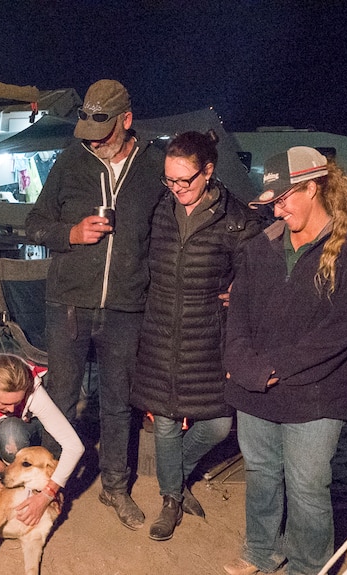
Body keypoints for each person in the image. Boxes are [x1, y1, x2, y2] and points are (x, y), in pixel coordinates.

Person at [222, 147, 347, 575]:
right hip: (255, 386)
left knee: (308, 486)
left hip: (317, 393)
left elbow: (344, 331)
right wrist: (240, 361)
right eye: (272, 201)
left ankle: (308, 566)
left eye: (284, 199)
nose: (277, 209)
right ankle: (261, 550)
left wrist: (274, 368)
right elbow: (238, 311)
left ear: (313, 188)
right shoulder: (263, 246)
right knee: (260, 472)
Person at [25, 79, 164, 530]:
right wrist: (70, 234)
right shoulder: (71, 160)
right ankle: (47, 486)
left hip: (126, 307)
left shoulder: (154, 167)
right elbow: (34, 224)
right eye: (86, 132)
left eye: (101, 135)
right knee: (60, 399)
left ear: (126, 121)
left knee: (118, 402)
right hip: (68, 303)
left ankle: (115, 488)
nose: (93, 143)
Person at [131, 131, 262, 541]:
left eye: (184, 180)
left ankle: (176, 473)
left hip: (208, 335)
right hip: (158, 330)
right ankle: (170, 499)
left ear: (209, 171)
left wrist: (240, 290)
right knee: (166, 421)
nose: (176, 189)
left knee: (220, 424)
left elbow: (260, 272)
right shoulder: (158, 210)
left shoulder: (237, 219)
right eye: (169, 180)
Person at [0, 353, 85, 525]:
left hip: (24, 428)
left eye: (18, 401)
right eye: (4, 404)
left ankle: (29, 484)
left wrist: (48, 493)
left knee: (11, 432)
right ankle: (16, 479)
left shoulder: (31, 390)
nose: (12, 408)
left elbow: (74, 446)